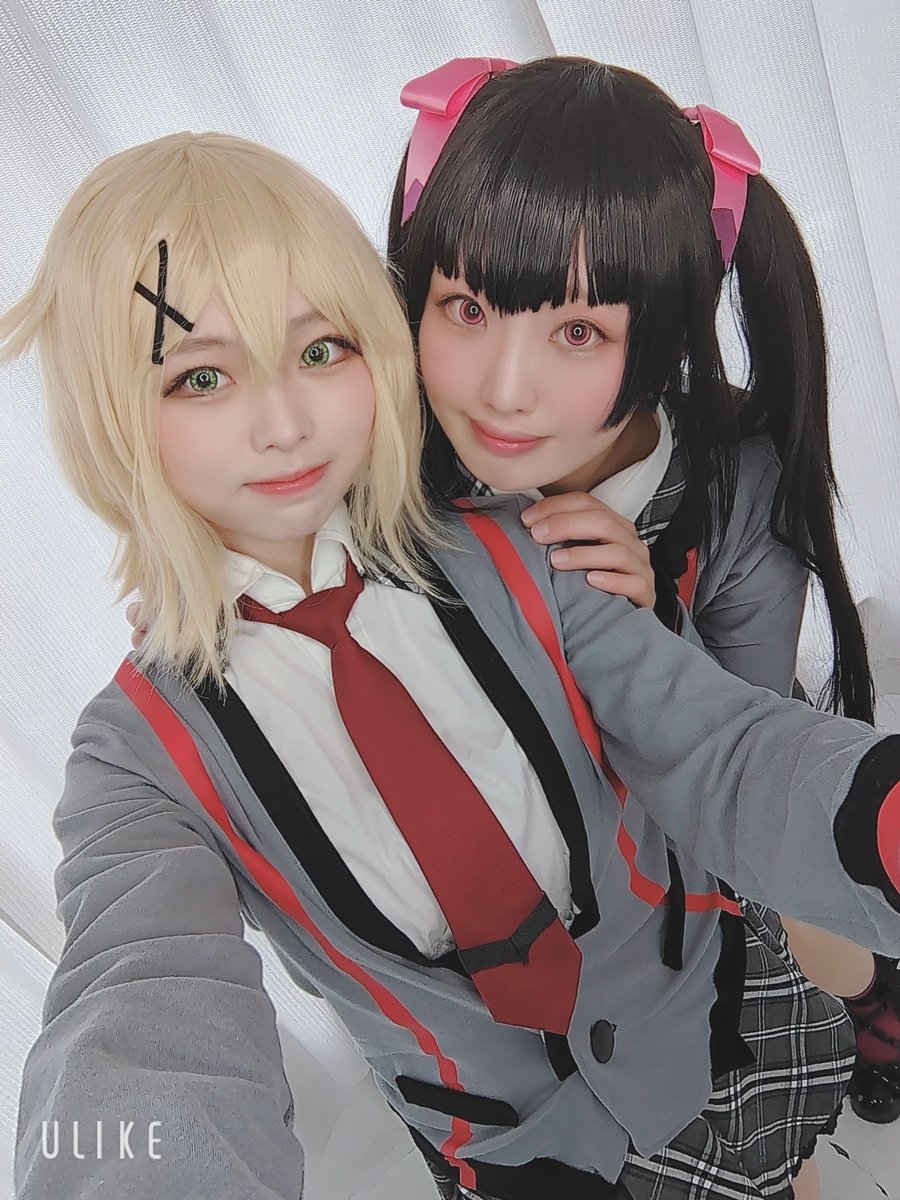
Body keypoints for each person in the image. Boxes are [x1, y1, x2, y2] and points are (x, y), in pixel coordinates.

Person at [4, 130, 900, 1200]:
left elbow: (725, 751)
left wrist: (881, 821)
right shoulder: (134, 758)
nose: (284, 423)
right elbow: (139, 1000)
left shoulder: (525, 550)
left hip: (719, 1026)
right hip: (523, 1160)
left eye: (320, 351)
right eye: (201, 376)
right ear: (108, 413)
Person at [386, 55, 900, 1124]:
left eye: (578, 332)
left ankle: (872, 1003)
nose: (504, 388)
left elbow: (740, 740)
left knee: (786, 943)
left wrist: (652, 622)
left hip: (707, 823)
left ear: (663, 334)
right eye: (466, 307)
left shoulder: (735, 483)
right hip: (538, 880)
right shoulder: (402, 463)